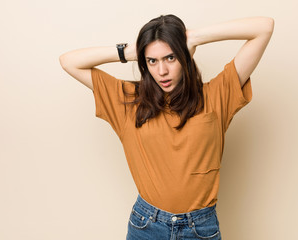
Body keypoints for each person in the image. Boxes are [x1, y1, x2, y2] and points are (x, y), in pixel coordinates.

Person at [59, 14, 274, 240]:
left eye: (170, 57)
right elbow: (68, 61)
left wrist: (193, 37)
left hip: (200, 228)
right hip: (146, 226)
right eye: (152, 61)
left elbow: (263, 28)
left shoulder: (216, 95)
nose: (161, 71)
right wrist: (130, 52)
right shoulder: (127, 101)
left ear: (185, 55)